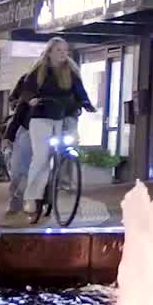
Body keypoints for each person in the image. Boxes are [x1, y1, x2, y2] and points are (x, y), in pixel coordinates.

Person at [22, 38, 95, 218]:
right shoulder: (39, 71)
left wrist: (86, 103)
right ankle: (32, 197)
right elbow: (27, 90)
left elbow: (79, 89)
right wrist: (31, 99)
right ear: (50, 52)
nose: (63, 54)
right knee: (41, 157)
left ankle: (62, 178)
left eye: (65, 51)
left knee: (70, 144)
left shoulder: (71, 70)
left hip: (65, 115)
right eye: (59, 51)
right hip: (42, 116)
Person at [3, 72, 33, 218]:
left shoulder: (65, 79)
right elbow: (17, 104)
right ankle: (16, 200)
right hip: (26, 126)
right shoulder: (29, 79)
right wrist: (10, 135)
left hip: (52, 128)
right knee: (20, 169)